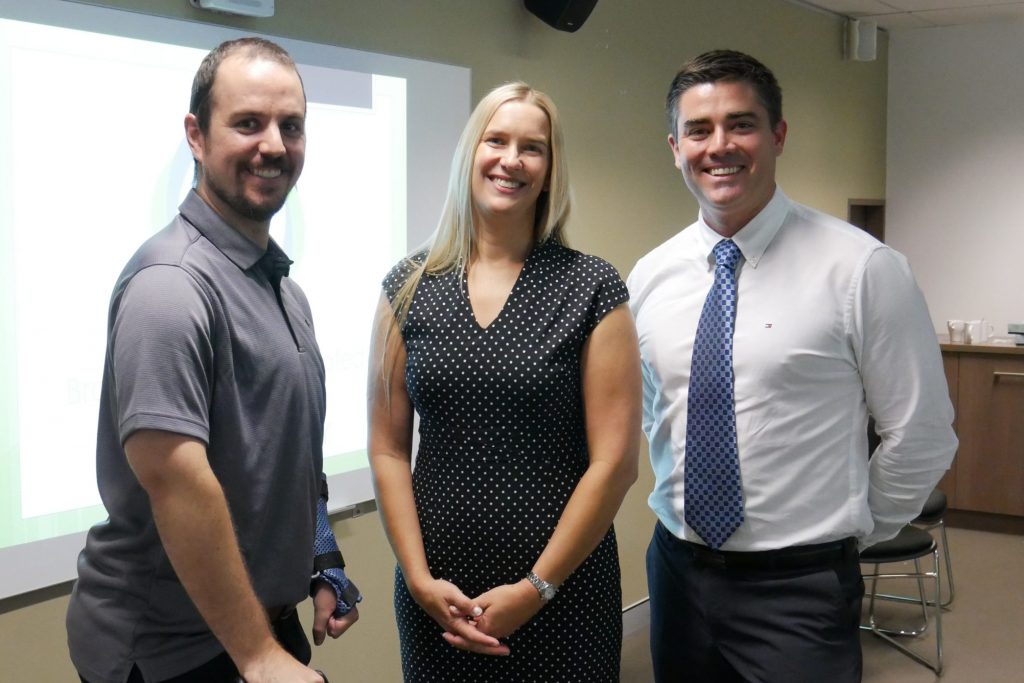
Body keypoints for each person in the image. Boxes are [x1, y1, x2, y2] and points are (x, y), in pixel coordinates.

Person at [627, 50, 958, 682]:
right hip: (676, 572)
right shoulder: (651, 275)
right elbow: (658, 414)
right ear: (675, 147)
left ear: (777, 136)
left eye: (741, 124)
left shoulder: (861, 268)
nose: (719, 145)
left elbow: (921, 435)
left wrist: (849, 533)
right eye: (699, 130)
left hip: (798, 590)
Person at [66, 38, 360, 683]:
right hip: (176, 651)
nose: (275, 145)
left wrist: (320, 560)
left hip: (259, 626)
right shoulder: (171, 284)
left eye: (291, 126)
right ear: (196, 136)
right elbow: (176, 481)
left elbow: (292, 457)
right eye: (248, 123)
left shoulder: (282, 287)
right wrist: (257, 658)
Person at [368, 82, 641, 682]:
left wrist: (535, 588)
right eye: (496, 140)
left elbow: (615, 463)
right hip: (436, 597)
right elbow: (388, 448)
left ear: (550, 170)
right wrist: (416, 577)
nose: (511, 160)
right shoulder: (407, 287)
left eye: (532, 148)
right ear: (472, 152)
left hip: (561, 594)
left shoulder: (591, 289)